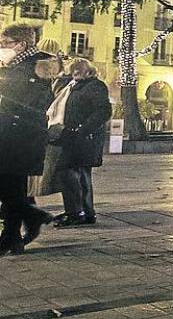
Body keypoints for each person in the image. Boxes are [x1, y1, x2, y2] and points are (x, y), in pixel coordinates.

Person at [0, 24, 55, 256]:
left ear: (21, 45)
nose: (2, 48)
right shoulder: (19, 68)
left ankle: (32, 218)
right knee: (12, 188)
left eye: (5, 43)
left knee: (10, 187)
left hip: (18, 137)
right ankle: (14, 237)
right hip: (14, 136)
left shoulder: (30, 69)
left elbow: (27, 105)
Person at [48, 59, 111, 227]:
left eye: (79, 69)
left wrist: (83, 130)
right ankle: (84, 212)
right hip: (71, 136)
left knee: (71, 172)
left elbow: (104, 111)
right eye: (73, 69)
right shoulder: (72, 86)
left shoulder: (95, 86)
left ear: (90, 71)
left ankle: (77, 212)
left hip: (83, 139)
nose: (75, 72)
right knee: (79, 174)